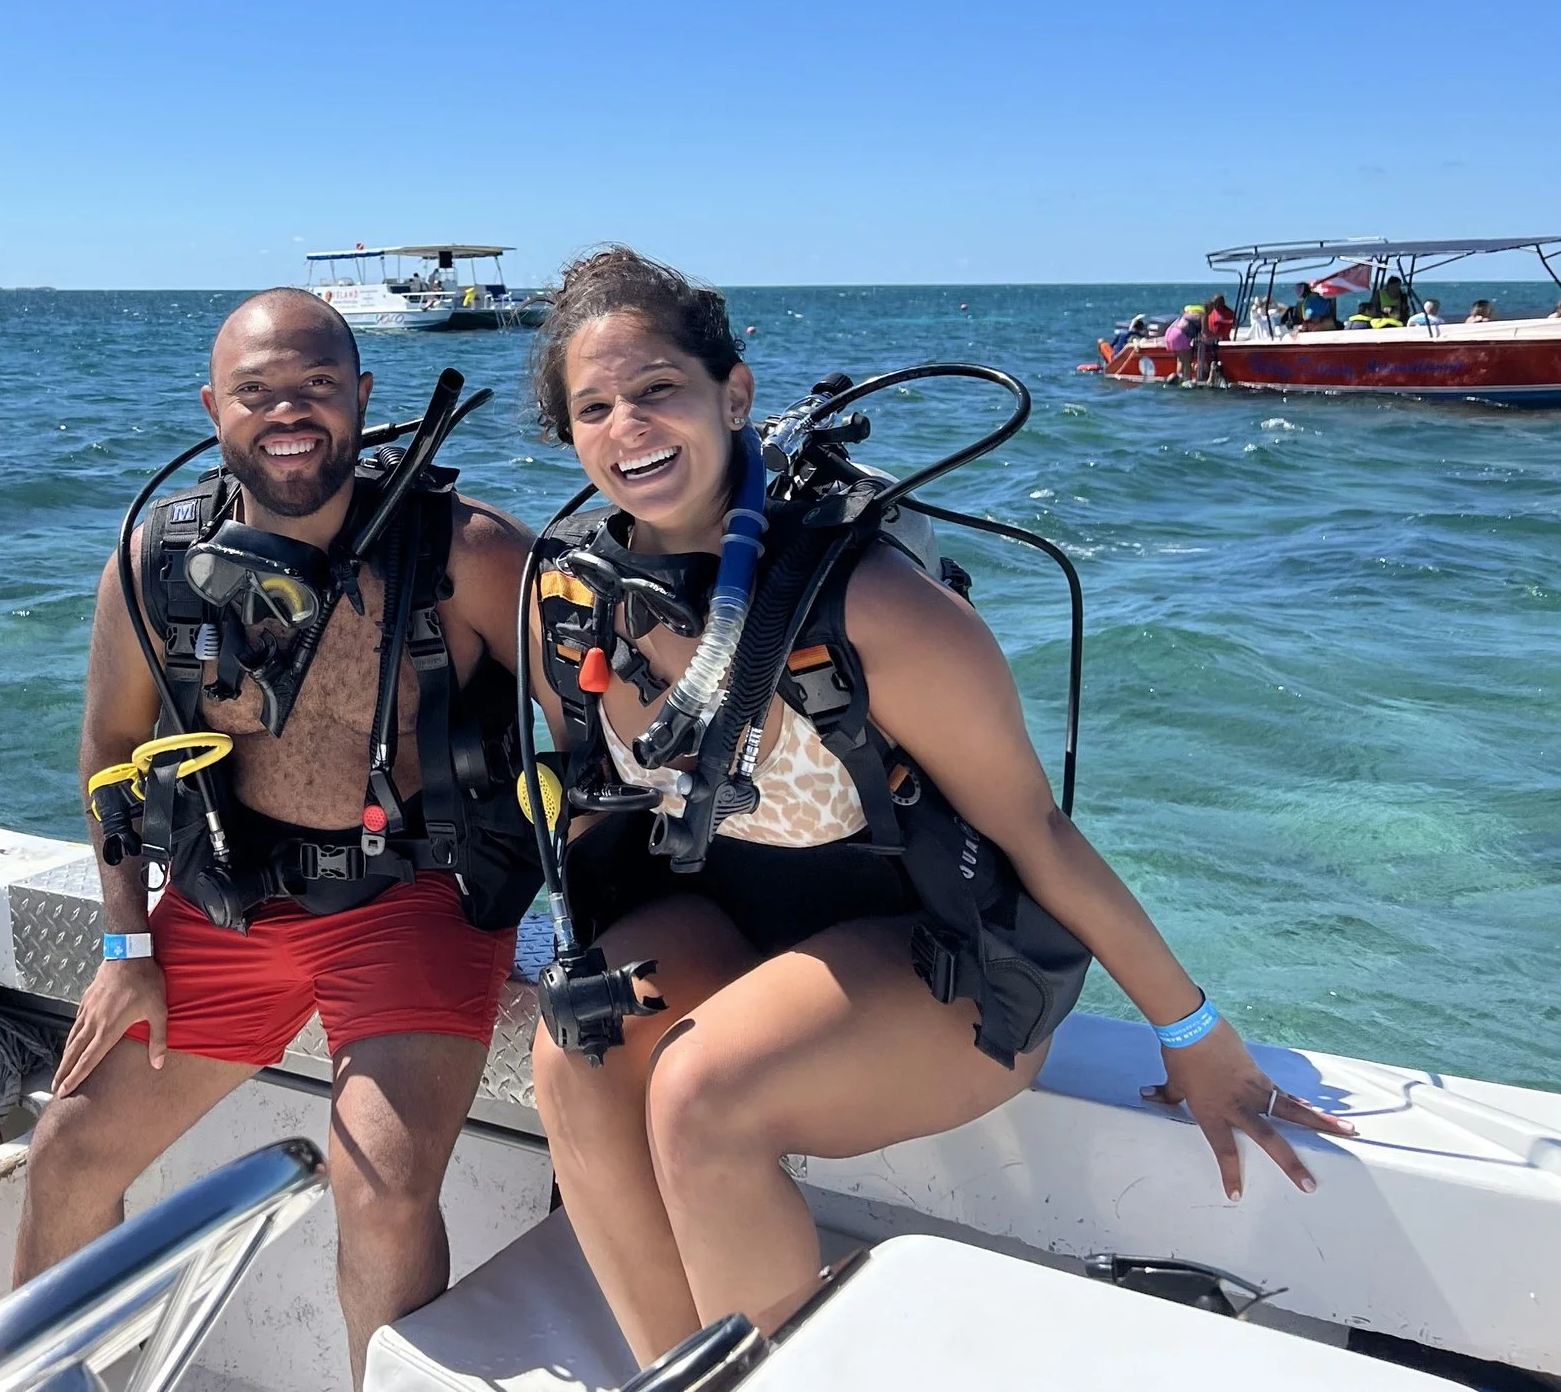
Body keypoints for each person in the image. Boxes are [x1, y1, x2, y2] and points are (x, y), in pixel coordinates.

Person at [521, 248, 1356, 1364]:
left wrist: (1192, 1030)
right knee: (572, 1045)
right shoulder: (572, 599)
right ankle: (679, 1373)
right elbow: (586, 805)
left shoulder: (871, 603)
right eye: (595, 406)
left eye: (658, 388)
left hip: (947, 963)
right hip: (743, 933)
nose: (630, 423)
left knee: (699, 1095)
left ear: (732, 393)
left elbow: (1035, 833)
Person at [15, 289, 537, 1386]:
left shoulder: (471, 553)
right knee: (66, 1149)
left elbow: (605, 735)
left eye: (314, 386)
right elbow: (109, 754)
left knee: (381, 1188)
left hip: (417, 902)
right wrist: (125, 948)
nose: (287, 414)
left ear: (360, 396)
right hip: (234, 902)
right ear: (214, 409)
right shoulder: (154, 561)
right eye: (256, 393)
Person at [1195, 294, 1234, 382]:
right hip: (1209, 340)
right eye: (1216, 303)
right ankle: (1207, 376)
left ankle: (1215, 375)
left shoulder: (1229, 312)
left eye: (1220, 303)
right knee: (1207, 360)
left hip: (1221, 341)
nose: (1218, 305)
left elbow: (1234, 323)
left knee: (1215, 360)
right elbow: (1204, 330)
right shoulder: (1207, 313)